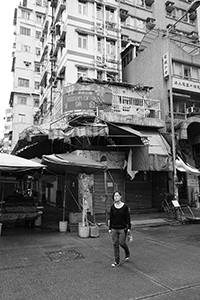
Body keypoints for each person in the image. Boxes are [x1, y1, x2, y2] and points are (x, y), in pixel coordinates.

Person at [109, 191, 131, 267]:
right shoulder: (112, 207)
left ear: (121, 197)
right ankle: (117, 261)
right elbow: (111, 218)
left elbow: (128, 218)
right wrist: (110, 228)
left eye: (117, 196)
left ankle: (127, 252)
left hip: (122, 228)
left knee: (122, 243)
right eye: (115, 196)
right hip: (114, 228)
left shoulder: (125, 207)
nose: (116, 197)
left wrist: (129, 228)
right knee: (115, 244)